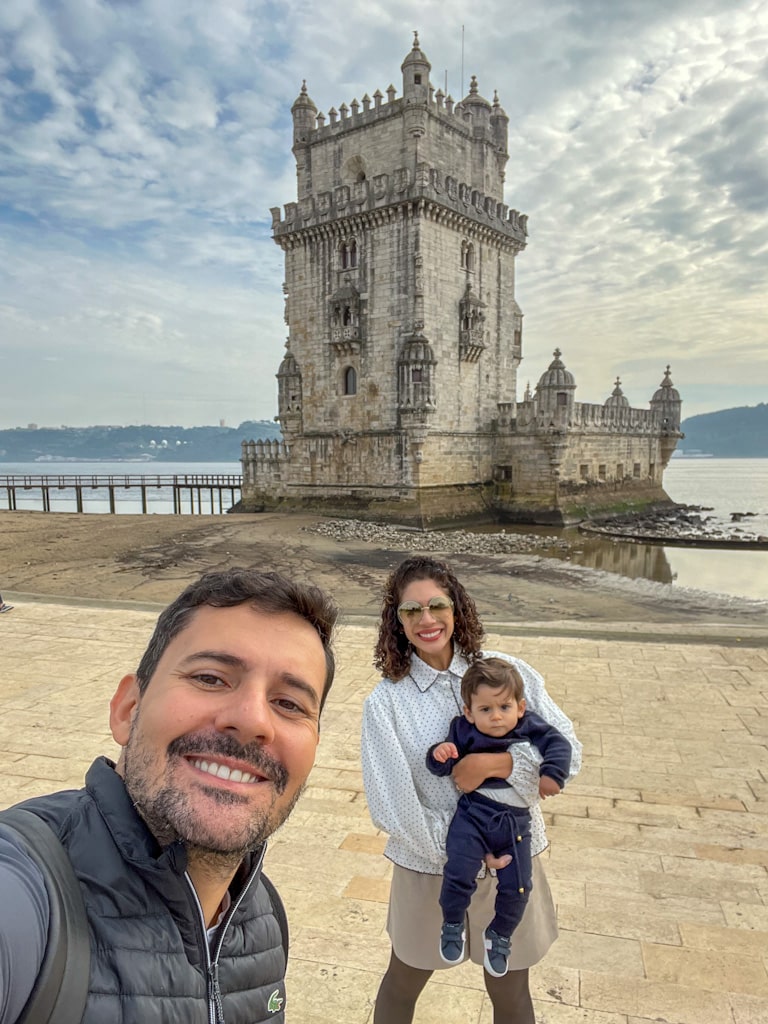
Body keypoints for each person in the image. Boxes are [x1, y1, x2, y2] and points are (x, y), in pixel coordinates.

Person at [0, 567, 338, 1024]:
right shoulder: (28, 891)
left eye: (290, 704)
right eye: (211, 678)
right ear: (128, 710)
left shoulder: (261, 916)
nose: (254, 720)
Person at [362, 556, 581, 1024]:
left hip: (513, 860)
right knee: (403, 981)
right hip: (428, 866)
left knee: (512, 993)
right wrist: (469, 846)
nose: (426, 620)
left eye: (436, 605)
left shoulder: (509, 674)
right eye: (410, 611)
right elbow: (391, 807)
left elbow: (569, 754)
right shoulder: (387, 703)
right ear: (395, 621)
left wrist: (496, 763)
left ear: (456, 609)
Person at [426, 657, 572, 977]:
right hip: (473, 815)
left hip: (516, 823)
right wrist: (440, 755)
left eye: (504, 707)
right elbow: (445, 766)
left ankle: (500, 934)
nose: (496, 717)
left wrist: (552, 774)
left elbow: (559, 744)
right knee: (459, 869)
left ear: (520, 707)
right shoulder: (462, 730)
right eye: (485, 710)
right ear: (469, 712)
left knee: (519, 886)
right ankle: (452, 923)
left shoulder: (529, 725)